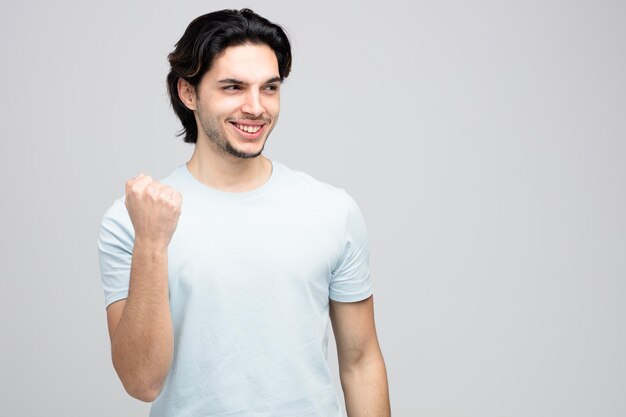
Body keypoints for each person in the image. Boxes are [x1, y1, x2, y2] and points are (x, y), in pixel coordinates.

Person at [98, 8, 390, 417]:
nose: (256, 108)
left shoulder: (332, 210)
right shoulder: (133, 220)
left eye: (269, 88)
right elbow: (141, 381)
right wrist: (151, 241)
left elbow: (361, 362)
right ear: (188, 93)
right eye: (233, 87)